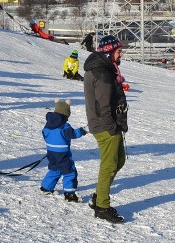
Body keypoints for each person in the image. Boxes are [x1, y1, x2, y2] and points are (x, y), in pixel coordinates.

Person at [84, 35, 127, 224]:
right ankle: (102, 206)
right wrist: (111, 127)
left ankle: (99, 194)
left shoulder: (104, 69)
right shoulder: (102, 73)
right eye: (118, 51)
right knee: (109, 165)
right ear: (110, 52)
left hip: (108, 124)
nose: (121, 55)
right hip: (106, 126)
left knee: (119, 161)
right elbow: (103, 105)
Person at [40, 99, 88, 202]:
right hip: (62, 154)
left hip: (51, 153)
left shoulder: (48, 125)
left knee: (55, 169)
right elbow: (74, 134)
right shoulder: (65, 126)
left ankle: (46, 187)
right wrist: (84, 130)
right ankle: (69, 194)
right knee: (69, 171)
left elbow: (44, 133)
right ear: (66, 114)